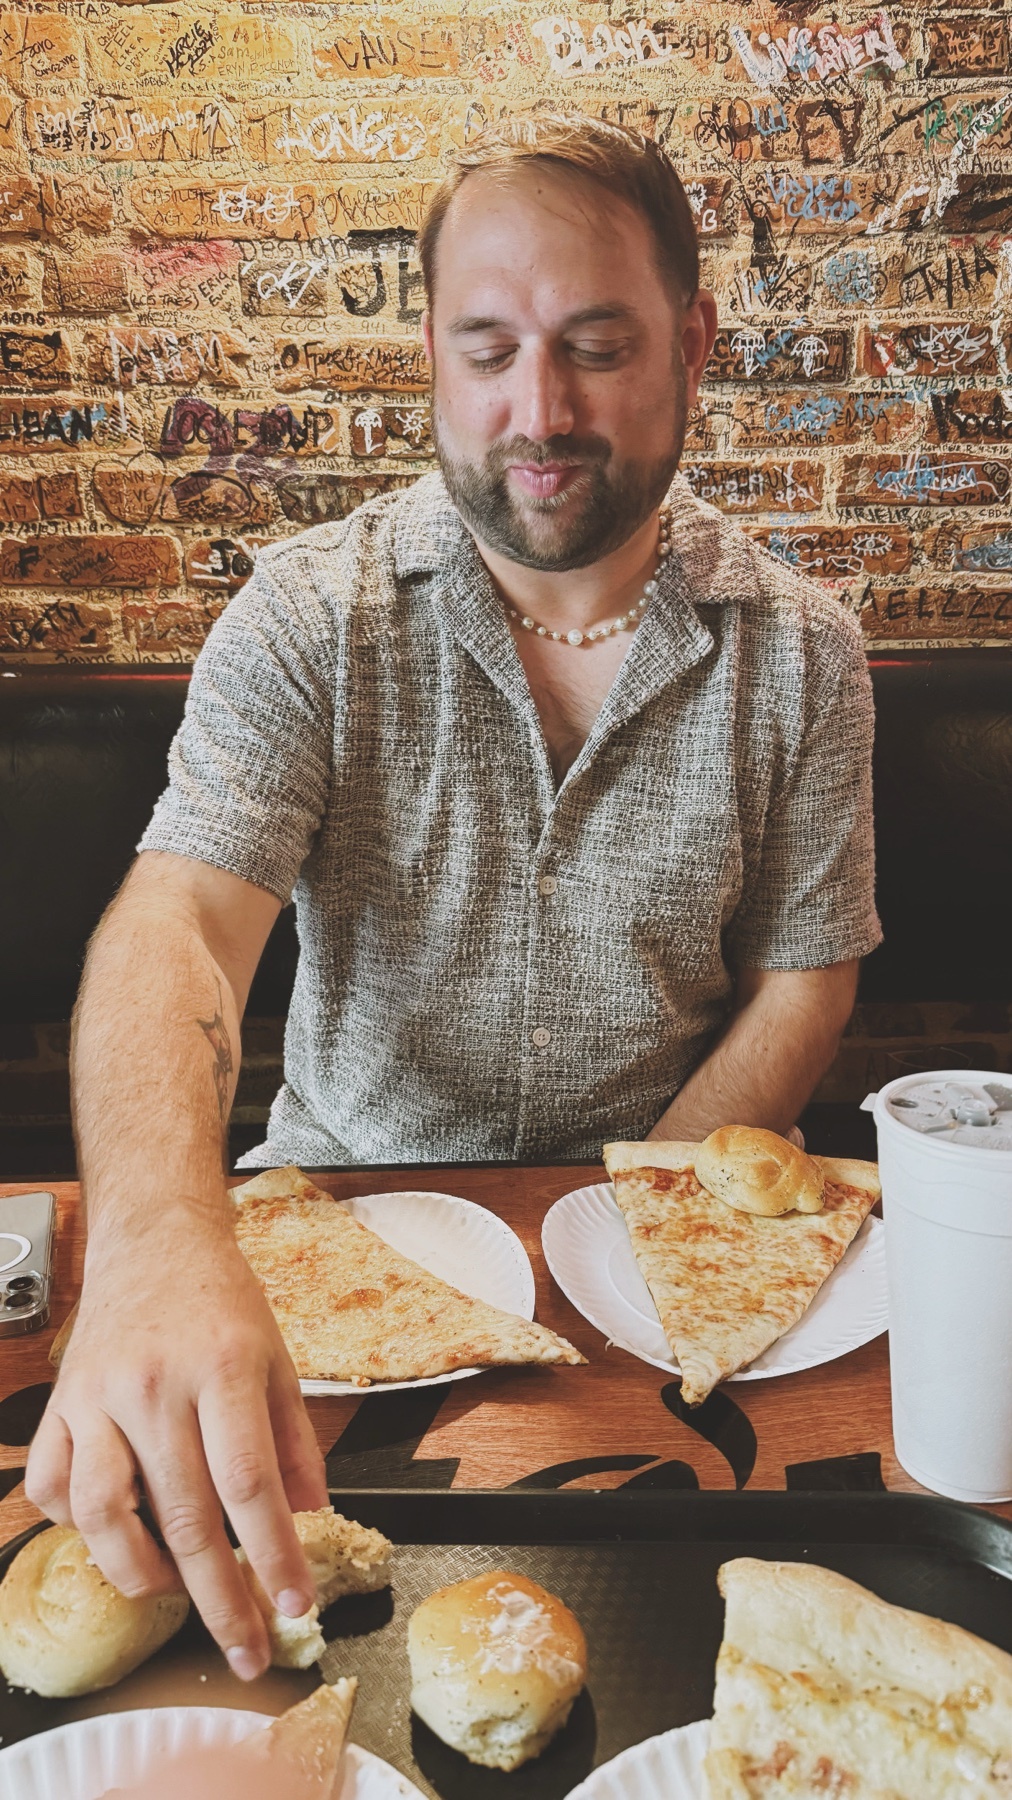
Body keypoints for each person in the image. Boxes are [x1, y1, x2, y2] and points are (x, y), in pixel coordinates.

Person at [26, 116, 881, 1676]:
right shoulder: (306, 617)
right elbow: (177, 928)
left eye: (597, 348)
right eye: (487, 350)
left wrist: (653, 1235)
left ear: (694, 342)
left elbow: (806, 977)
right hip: (329, 1241)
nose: (537, 411)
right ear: (429, 347)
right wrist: (155, 1243)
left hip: (662, 1263)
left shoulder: (803, 650)